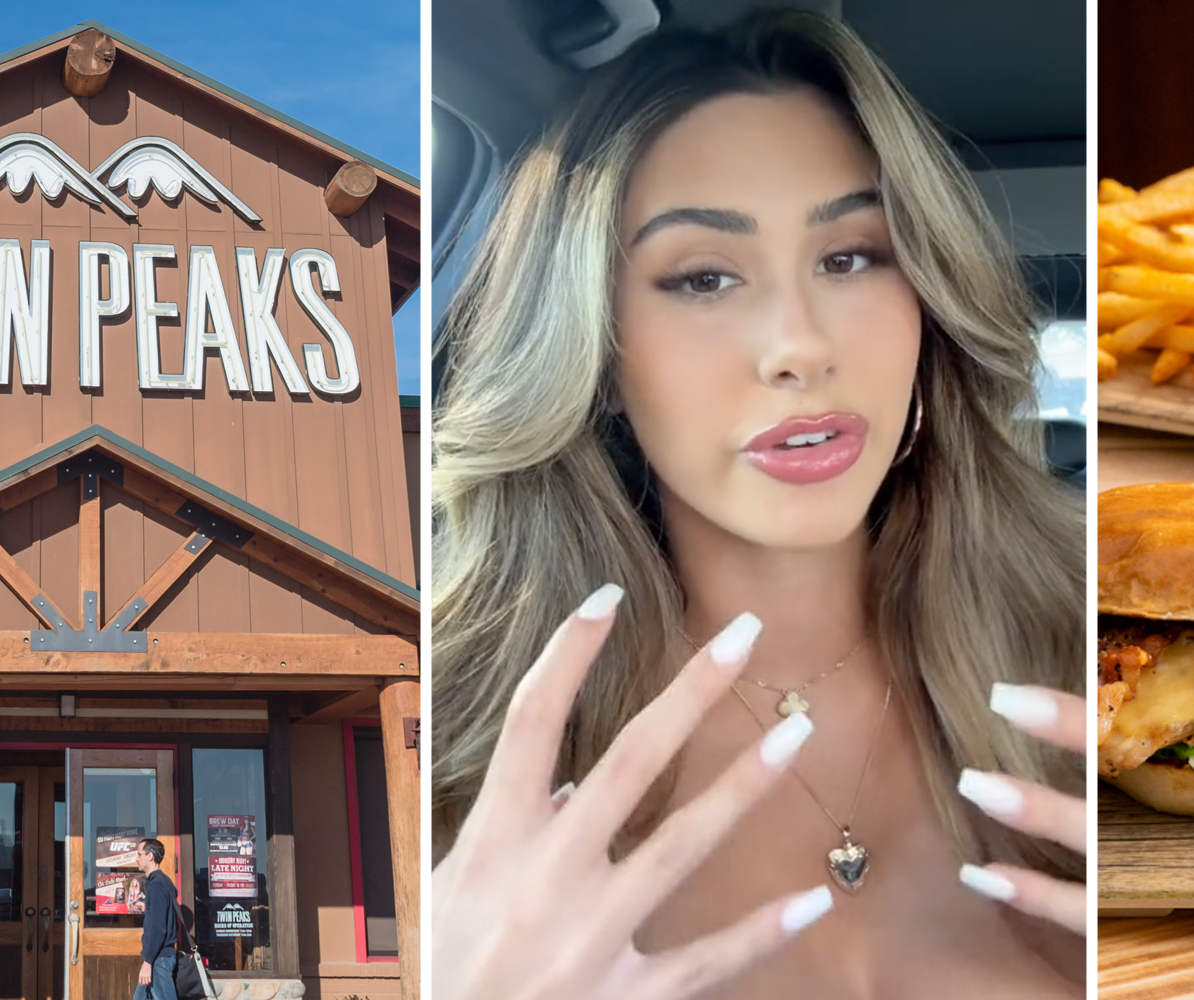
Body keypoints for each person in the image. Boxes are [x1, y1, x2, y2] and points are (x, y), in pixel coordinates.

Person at [431, 9, 1085, 999]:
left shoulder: (1104, 658)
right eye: (701, 276)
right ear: (597, 353)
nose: (798, 345)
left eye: (850, 255)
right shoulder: (456, 758)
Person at [133, 839, 179, 1000]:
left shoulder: (157, 885)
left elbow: (158, 929)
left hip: (159, 960)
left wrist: (148, 962)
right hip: (158, 959)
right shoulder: (164, 882)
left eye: (139, 854)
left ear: (150, 856)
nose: (136, 858)